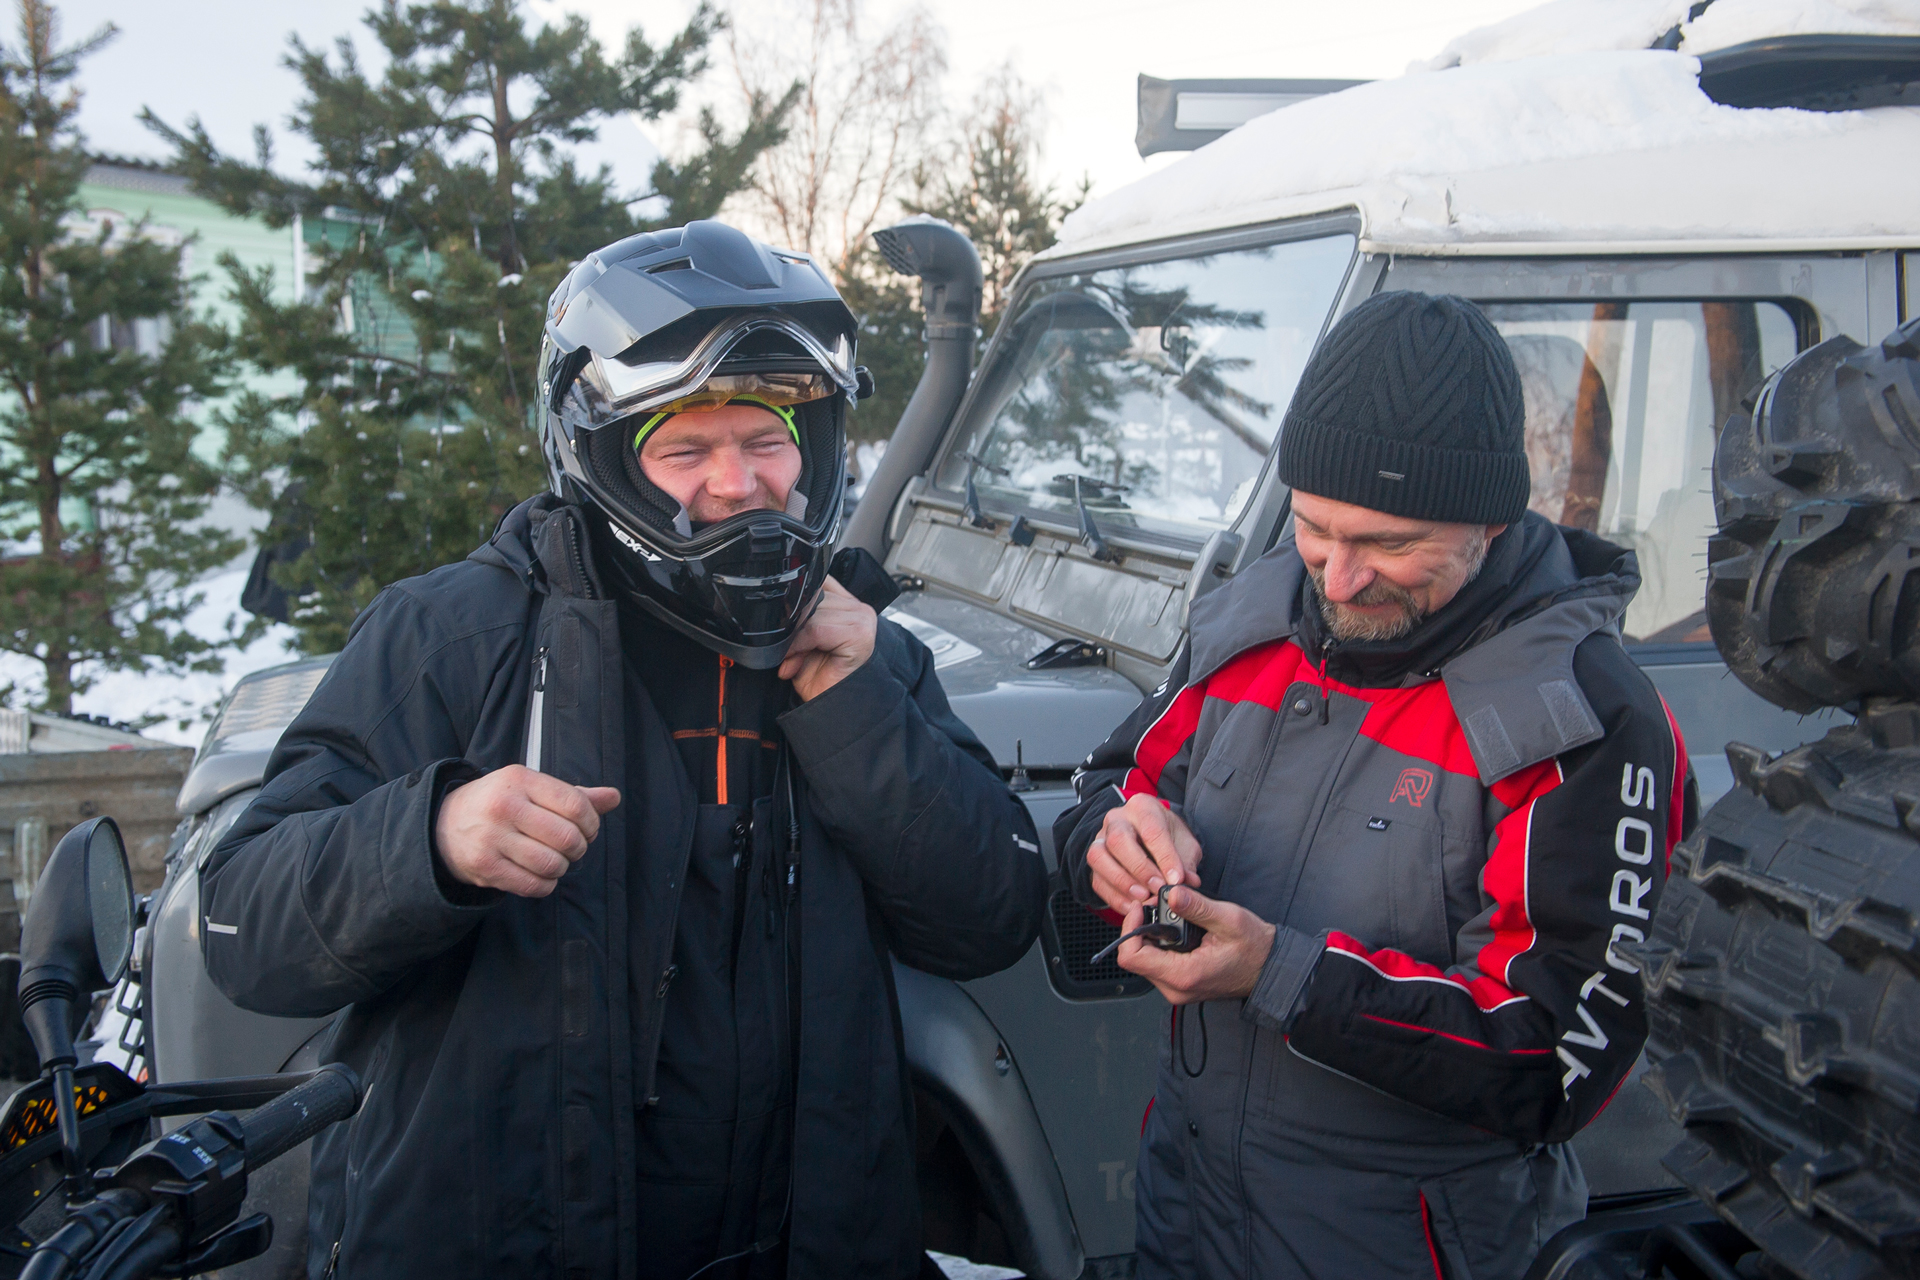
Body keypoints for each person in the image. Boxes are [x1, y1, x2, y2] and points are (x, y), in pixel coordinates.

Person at [200, 220, 1046, 1280]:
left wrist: (861, 711)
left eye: (767, 438)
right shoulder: (455, 638)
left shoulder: (864, 646)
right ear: (603, 454)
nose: (738, 482)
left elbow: (992, 913)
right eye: (686, 449)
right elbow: (240, 920)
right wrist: (431, 838)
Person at [1056, 291, 1698, 1280]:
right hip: (1187, 1213)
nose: (1338, 578)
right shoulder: (1252, 621)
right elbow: (1111, 781)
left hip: (1413, 1245)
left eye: (1391, 544)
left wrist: (1280, 973)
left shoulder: (1583, 718)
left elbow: (1552, 1061)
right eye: (1315, 526)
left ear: (1491, 519)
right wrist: (1115, 837)